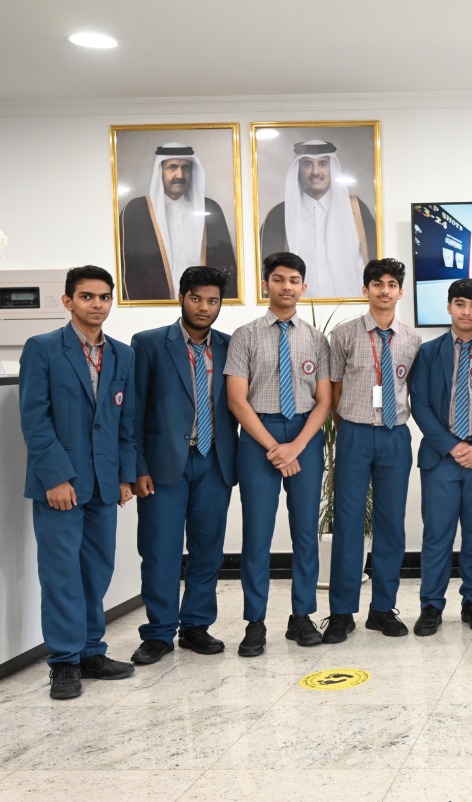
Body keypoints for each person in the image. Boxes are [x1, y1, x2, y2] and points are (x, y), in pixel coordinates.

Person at [19, 266, 137, 699]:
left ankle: (91, 651)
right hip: (60, 486)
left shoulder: (123, 354)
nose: (97, 305)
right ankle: (65, 661)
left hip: (105, 485)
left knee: (96, 572)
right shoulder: (44, 349)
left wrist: (125, 476)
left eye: (104, 297)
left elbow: (126, 422)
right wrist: (55, 476)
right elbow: (34, 419)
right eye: (87, 297)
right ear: (67, 301)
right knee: (62, 574)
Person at [129, 266, 239, 665]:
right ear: (181, 297)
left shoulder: (230, 346)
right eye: (197, 298)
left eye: (212, 301)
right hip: (162, 465)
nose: (204, 307)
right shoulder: (149, 344)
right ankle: (158, 633)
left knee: (208, 551)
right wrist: (137, 466)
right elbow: (135, 412)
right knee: (160, 551)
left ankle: (196, 626)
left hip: (215, 462)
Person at [224, 252, 332, 656]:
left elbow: (323, 401)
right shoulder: (245, 335)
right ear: (265, 285)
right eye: (279, 279)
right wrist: (274, 447)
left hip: (303, 436)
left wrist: (296, 446)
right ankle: (254, 621)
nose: (287, 286)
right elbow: (237, 400)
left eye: (295, 280)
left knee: (306, 531)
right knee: (256, 534)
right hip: (259, 438)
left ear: (304, 287)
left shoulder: (316, 339)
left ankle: (301, 616)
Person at [321, 258, 422, 644]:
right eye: (377, 283)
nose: (384, 290)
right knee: (347, 524)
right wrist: (350, 425)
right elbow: (333, 390)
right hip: (355, 434)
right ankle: (341, 612)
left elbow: (411, 389)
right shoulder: (344, 335)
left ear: (400, 291)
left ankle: (382, 609)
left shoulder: (412, 339)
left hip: (395, 436)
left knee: (391, 525)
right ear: (366, 289)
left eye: (392, 284)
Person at [410, 278, 472, 635]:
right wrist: (452, 446)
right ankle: (431, 606)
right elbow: (418, 403)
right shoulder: (428, 352)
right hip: (441, 459)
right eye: (460, 304)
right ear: (449, 306)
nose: (467, 312)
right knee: (437, 535)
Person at [260, 140, 378, 299]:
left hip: (352, 309)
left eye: (322, 164)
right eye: (308, 165)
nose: (316, 172)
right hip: (297, 313)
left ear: (332, 168)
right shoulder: (278, 215)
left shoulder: (356, 210)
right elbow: (267, 276)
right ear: (298, 170)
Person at [120, 143, 236, 301]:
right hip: (154, 305)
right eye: (172, 167)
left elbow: (225, 263)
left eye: (185, 168)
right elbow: (130, 269)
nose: (180, 175)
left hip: (201, 306)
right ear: (160, 171)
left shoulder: (210, 209)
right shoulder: (136, 211)